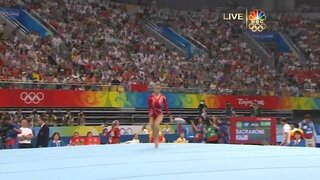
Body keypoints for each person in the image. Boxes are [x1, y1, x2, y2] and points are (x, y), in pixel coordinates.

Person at [148, 82, 171, 148]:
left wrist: (169, 115)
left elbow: (166, 107)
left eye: (158, 88)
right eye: (155, 88)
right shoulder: (150, 97)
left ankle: (157, 140)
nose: (157, 90)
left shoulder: (163, 97)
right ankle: (155, 141)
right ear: (153, 89)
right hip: (153, 114)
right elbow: (150, 107)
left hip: (159, 114)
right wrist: (150, 114)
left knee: (156, 124)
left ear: (160, 89)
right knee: (153, 127)